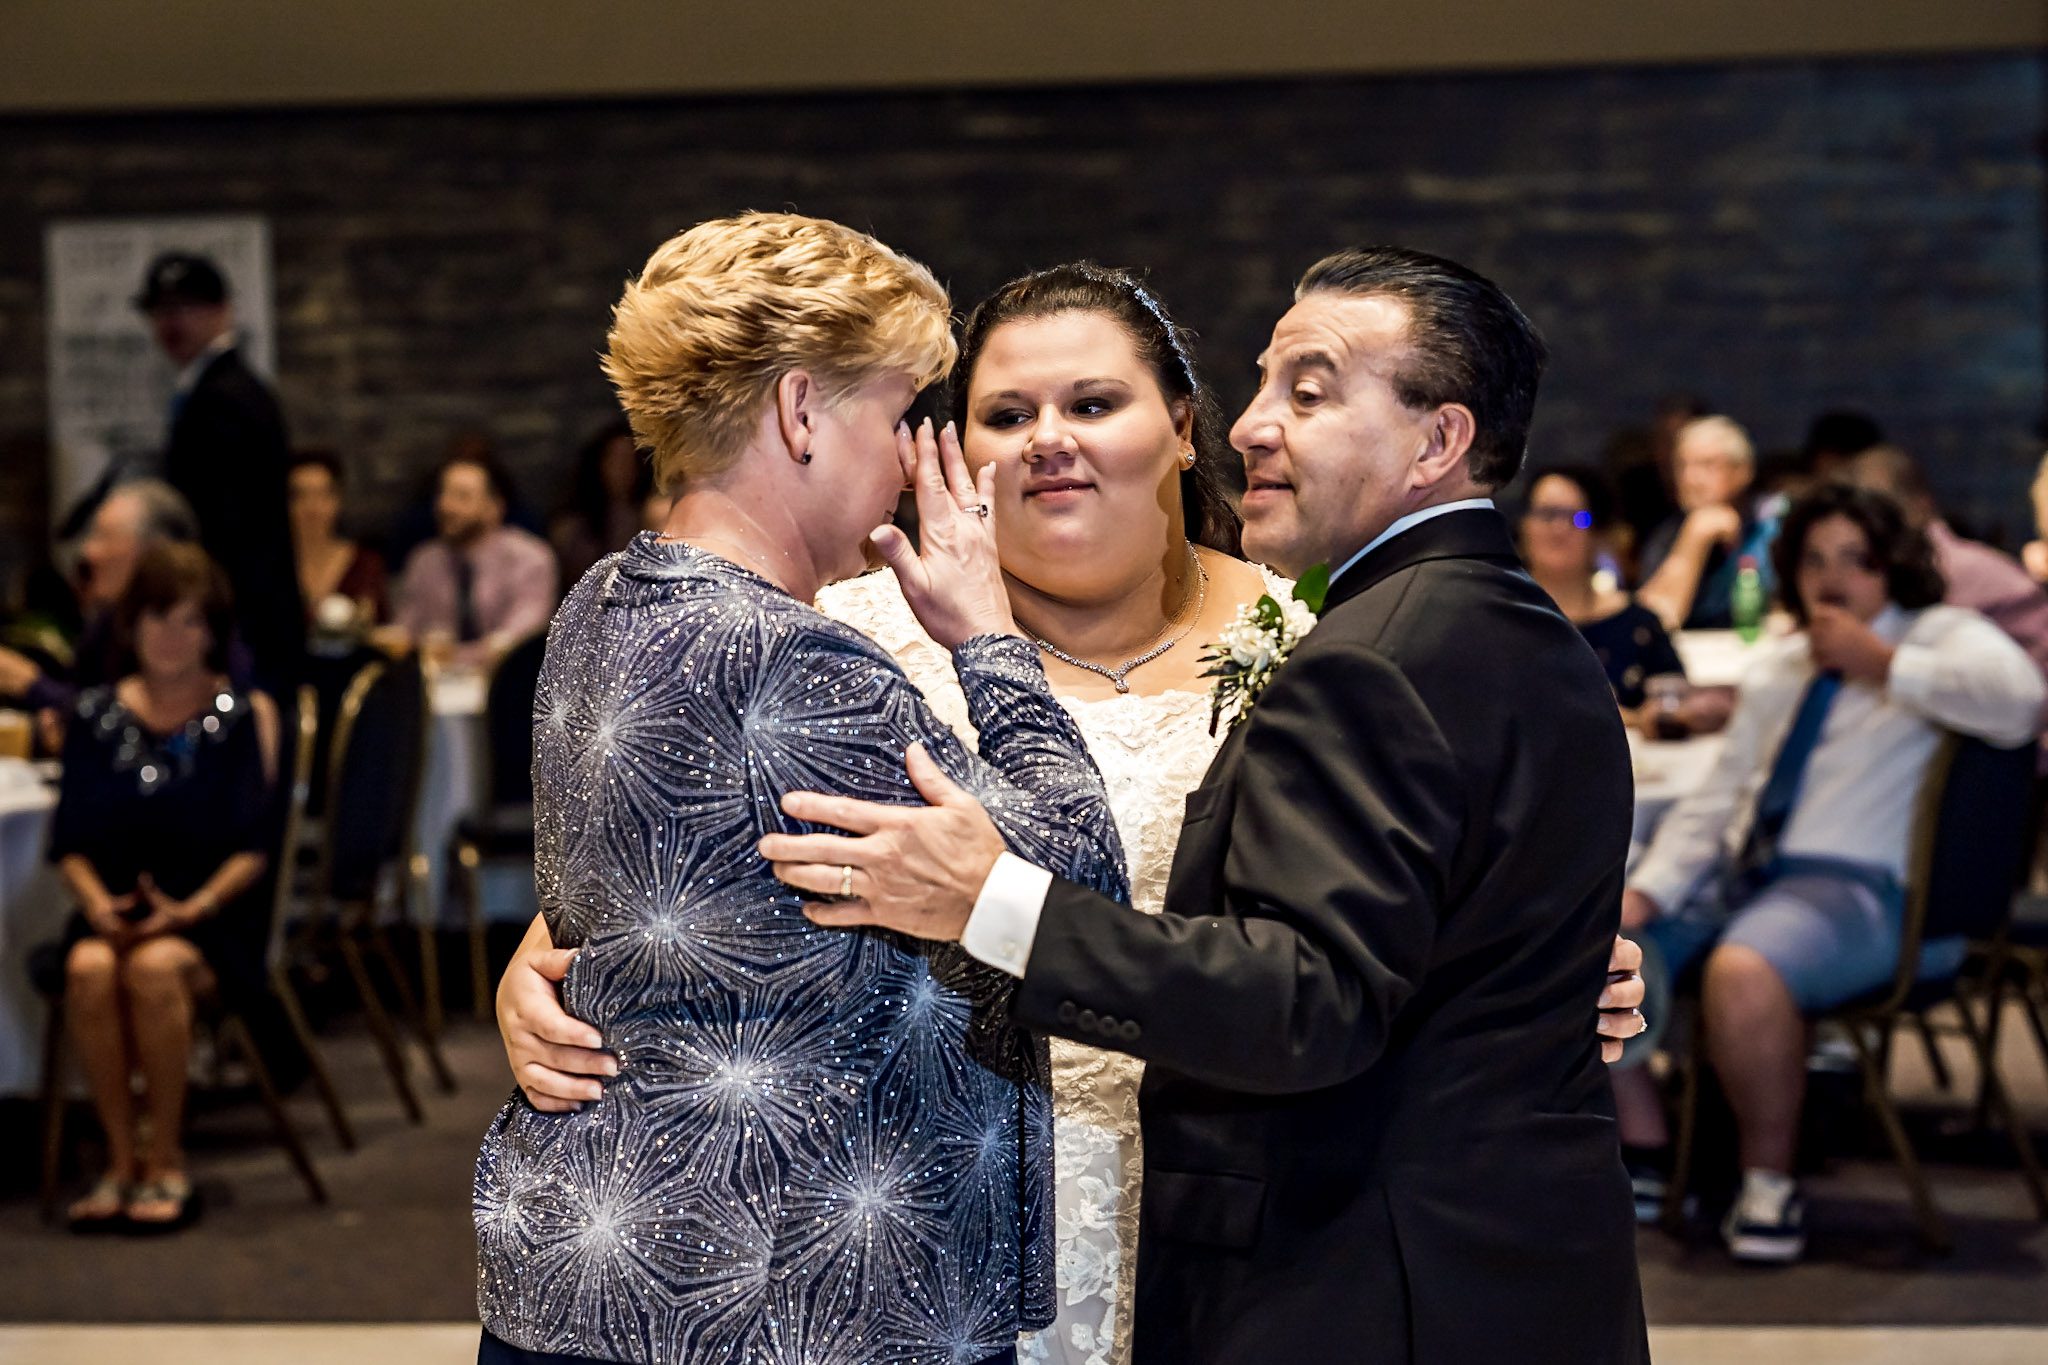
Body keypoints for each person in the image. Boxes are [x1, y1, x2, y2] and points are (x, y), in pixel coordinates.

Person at [497, 262, 1651, 1365]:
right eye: (1004, 414)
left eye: (1093, 402)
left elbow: (1375, 934)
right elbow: (670, 865)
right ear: (948, 447)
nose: (1049, 439)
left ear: (1184, 426)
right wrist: (540, 963)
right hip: (939, 1214)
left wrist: (1529, 971)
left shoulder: (1319, 640)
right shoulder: (849, 632)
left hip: (1255, 1217)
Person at [470, 212, 1128, 1365]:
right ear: (798, 412)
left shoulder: (594, 605)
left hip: (605, 1268)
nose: (911, 457)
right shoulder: (794, 665)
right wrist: (987, 638)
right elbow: (1080, 877)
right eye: (895, 413)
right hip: (795, 1301)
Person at [1616, 482, 2044, 1263]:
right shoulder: (1784, 664)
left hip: (1861, 892)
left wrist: (1885, 663)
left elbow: (2020, 703)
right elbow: (1719, 802)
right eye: (1813, 560)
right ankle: (1648, 1146)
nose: (1831, 577)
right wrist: (1648, 892)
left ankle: (1767, 1185)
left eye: (1855, 558)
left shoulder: (1940, 632)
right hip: (1754, 878)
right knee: (1599, 941)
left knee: (1745, 969)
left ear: (1891, 564)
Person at [48, 542, 280, 1233]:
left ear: (212, 630)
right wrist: (96, 903)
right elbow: (69, 842)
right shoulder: (94, 715)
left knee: (152, 969)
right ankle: (121, 1159)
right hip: (111, 907)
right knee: (88, 966)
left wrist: (191, 908)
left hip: (211, 912)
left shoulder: (239, 717)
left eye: (188, 621)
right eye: (157, 619)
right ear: (131, 626)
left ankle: (167, 1157)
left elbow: (254, 848)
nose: (172, 637)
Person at [137, 252, 305, 691]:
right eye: (160, 311)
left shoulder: (225, 397)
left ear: (222, 311)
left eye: (184, 309)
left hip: (243, 622)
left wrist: (211, 624)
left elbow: (230, 530)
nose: (170, 324)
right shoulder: (215, 389)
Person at [1850, 444, 2048, 722]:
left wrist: (1883, 663)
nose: (1870, 527)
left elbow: (2032, 705)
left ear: (1921, 506)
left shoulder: (1977, 580)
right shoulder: (1872, 578)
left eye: (1881, 512)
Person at [0, 480, 199, 722]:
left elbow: (139, 720)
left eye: (103, 536)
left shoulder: (194, 627)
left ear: (155, 550)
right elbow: (81, 705)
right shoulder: (107, 623)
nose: (88, 552)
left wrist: (30, 683)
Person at [1520, 465, 1683, 712]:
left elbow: (1678, 704)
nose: (1559, 529)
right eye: (1546, 514)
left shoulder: (1638, 624)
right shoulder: (1497, 620)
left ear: (1599, 534)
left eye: (1576, 518)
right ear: (1524, 527)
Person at [389, 451, 558, 663]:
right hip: (436, 686)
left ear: (494, 507)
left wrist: (453, 657)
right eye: (443, 494)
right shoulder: (425, 559)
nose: (446, 506)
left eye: (462, 496)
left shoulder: (530, 558)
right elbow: (405, 631)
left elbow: (516, 642)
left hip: (506, 687)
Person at [1636, 414, 1776, 631]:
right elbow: (1652, 623)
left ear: (1743, 471)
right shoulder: (1668, 533)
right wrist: (1695, 537)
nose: (1690, 479)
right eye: (1682, 466)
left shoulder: (1771, 526)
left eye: (1706, 464)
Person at [287, 449, 388, 635]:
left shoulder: (365, 565)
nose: (312, 508)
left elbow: (382, 632)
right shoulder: (268, 570)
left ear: (337, 501)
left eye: (322, 495)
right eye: (301, 496)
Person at [549, 419, 656, 586]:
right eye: (614, 460)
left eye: (629, 460)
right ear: (598, 463)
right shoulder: (571, 526)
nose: (622, 468)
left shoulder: (655, 515)